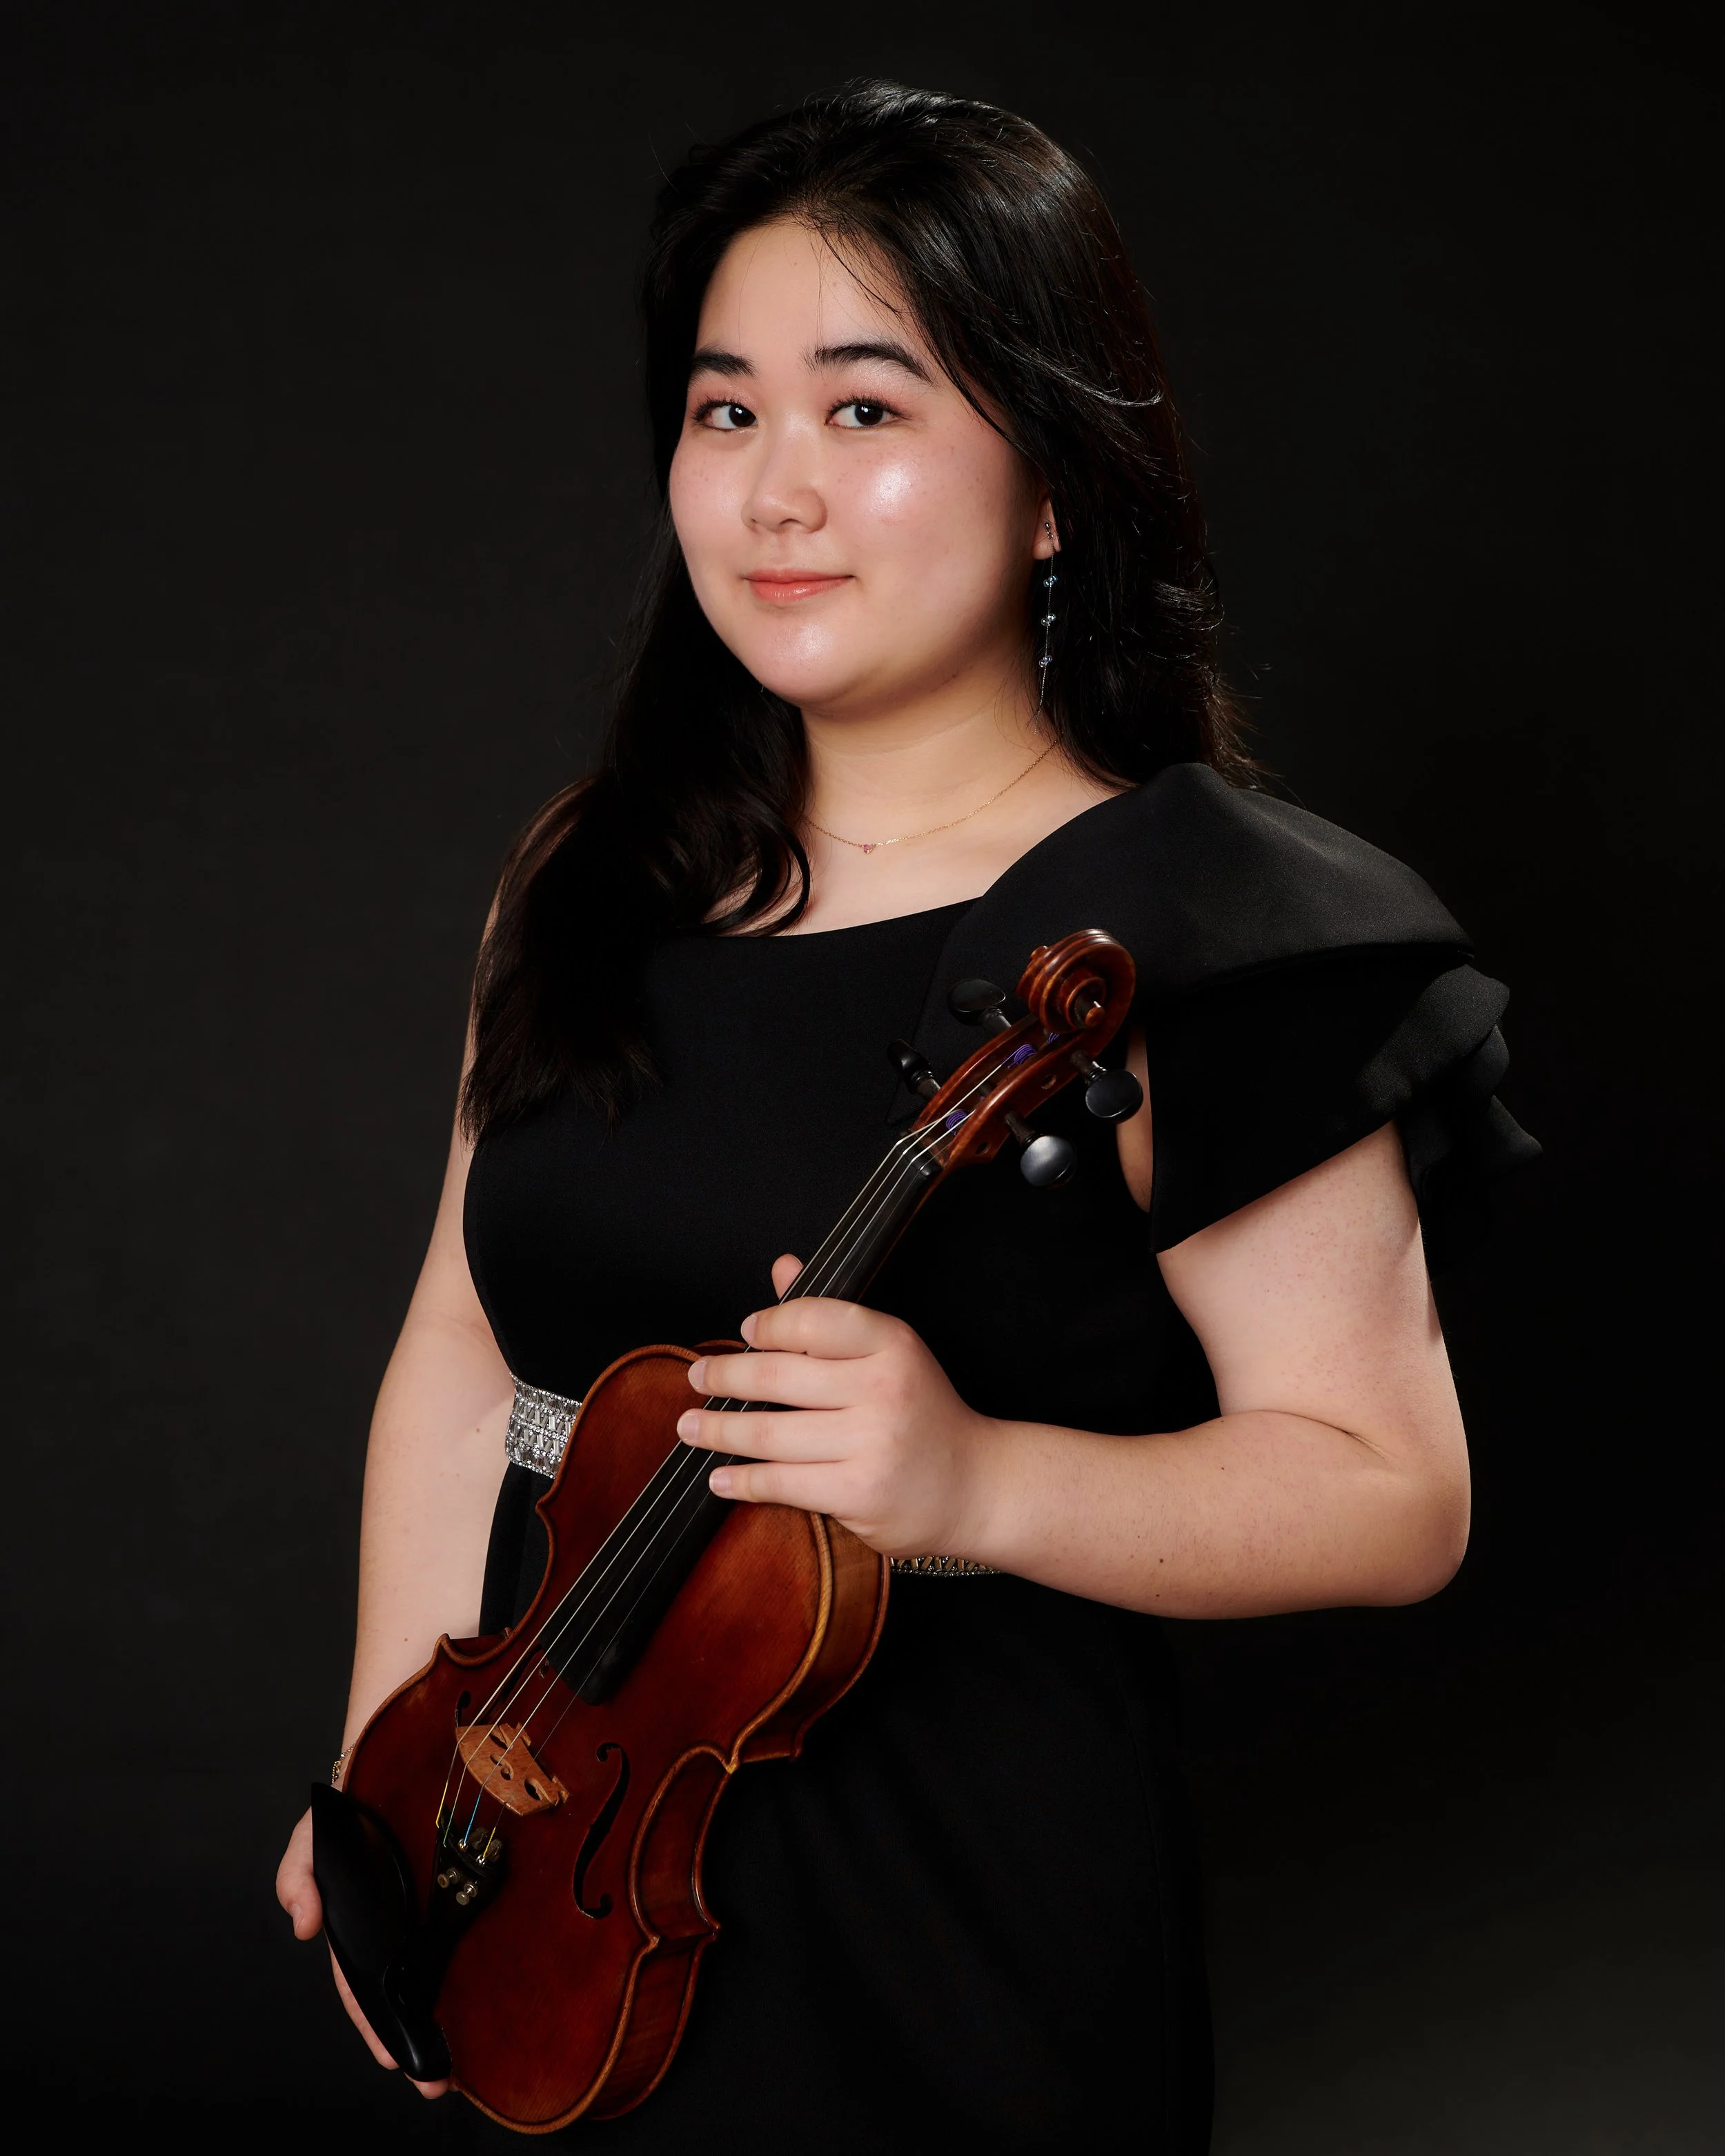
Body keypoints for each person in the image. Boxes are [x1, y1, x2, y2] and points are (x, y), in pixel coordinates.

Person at [275, 79, 1534, 2152]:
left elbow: (1392, 1492)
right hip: (555, 1870)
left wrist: (975, 1481)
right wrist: (395, 1768)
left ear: (1058, 480)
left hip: (966, 1917)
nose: (774, 492)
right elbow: (462, 1354)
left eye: (866, 411)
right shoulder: (589, 873)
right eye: (723, 409)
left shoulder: (1202, 925)